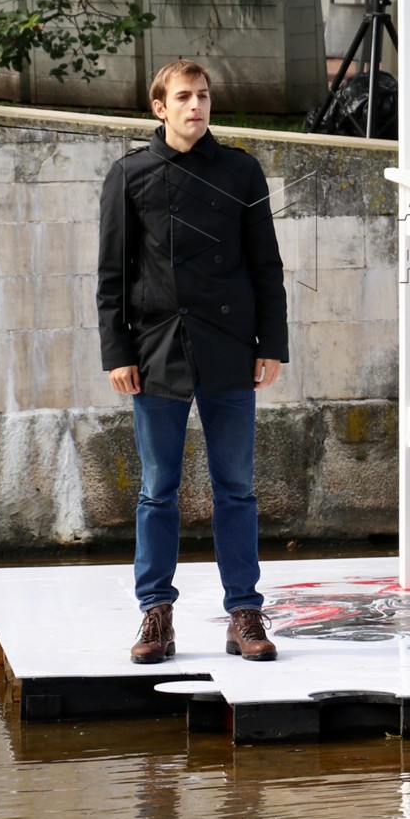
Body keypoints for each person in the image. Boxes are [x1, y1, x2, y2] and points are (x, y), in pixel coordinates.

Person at [96, 59, 289, 664]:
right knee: (158, 490)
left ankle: (244, 613)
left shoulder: (241, 170)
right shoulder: (129, 175)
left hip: (229, 347)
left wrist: (271, 343)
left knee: (237, 489)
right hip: (156, 351)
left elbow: (266, 266)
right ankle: (156, 613)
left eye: (203, 96)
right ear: (160, 107)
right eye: (183, 97)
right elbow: (112, 275)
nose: (196, 106)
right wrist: (117, 351)